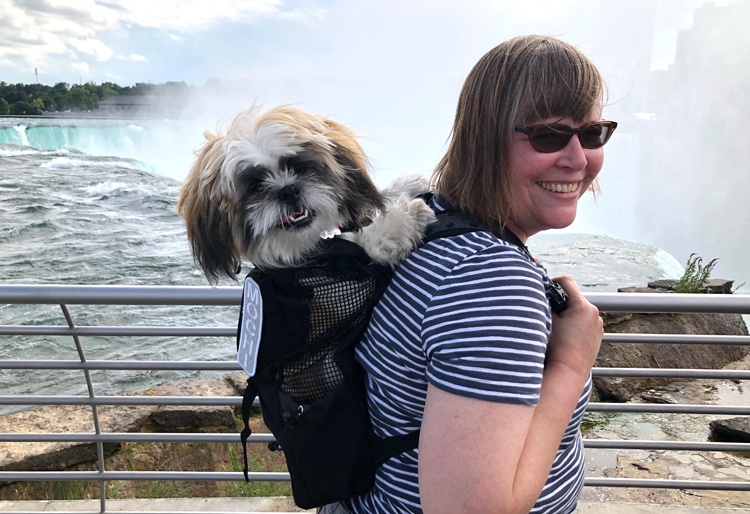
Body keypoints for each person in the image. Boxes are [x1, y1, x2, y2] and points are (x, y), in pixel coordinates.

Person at [327, 35, 612, 514]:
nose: (579, 159)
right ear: (485, 137)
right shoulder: (491, 280)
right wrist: (571, 364)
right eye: (548, 135)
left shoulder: (431, 219)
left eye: (594, 133)